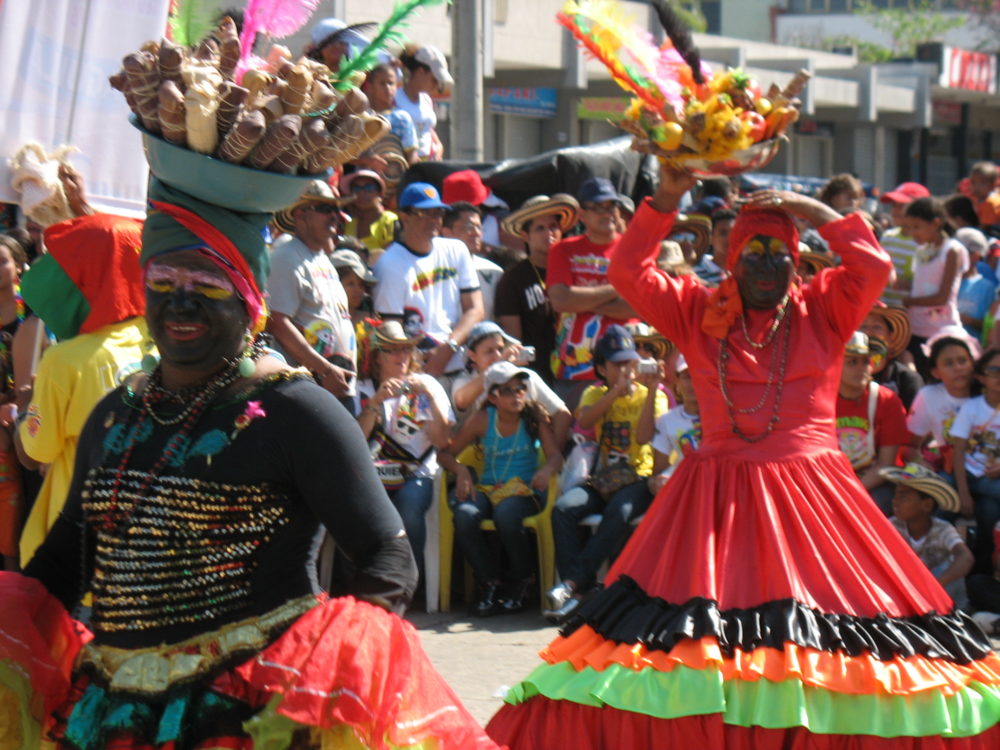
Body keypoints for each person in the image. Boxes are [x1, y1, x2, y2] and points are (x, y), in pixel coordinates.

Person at [487, 164, 1000, 748]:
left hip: (814, 496)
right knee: (698, 637)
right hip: (715, 496)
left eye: (778, 253)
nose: (765, 265)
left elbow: (873, 266)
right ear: (732, 260)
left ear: (795, 259)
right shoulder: (695, 310)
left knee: (824, 635)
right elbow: (629, 271)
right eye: (752, 253)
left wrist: (810, 211)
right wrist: (670, 196)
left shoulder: (823, 309)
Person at [0, 163, 499, 749]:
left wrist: (313, 685)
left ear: (250, 300)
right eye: (162, 282)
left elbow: (388, 559)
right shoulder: (116, 415)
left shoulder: (297, 412)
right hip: (117, 710)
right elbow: (67, 558)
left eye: (206, 286)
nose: (180, 303)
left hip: (249, 714)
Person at [15, 213, 149, 567]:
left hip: (77, 546)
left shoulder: (66, 360)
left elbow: (36, 451)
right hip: (146, 543)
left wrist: (26, 405)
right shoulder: (168, 345)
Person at [543, 325, 667, 624]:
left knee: (619, 511)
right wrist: (615, 392)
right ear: (601, 368)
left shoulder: (655, 395)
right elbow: (584, 420)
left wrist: (648, 391)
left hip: (639, 477)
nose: (627, 369)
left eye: (630, 362)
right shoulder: (594, 392)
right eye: (617, 364)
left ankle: (572, 587)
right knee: (563, 509)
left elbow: (645, 437)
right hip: (604, 478)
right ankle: (579, 592)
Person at [440, 363, 563, 616]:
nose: (517, 395)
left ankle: (522, 580)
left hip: (523, 490)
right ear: (493, 396)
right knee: (464, 514)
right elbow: (446, 455)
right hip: (488, 487)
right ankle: (489, 582)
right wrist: (462, 470)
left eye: (521, 389)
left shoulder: (533, 418)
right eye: (508, 390)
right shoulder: (483, 420)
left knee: (506, 514)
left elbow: (555, 457)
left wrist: (546, 470)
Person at [355, 319, 454, 584]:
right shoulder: (363, 388)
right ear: (377, 357)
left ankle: (408, 582)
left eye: (405, 349)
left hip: (415, 472)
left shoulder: (425, 384)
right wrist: (375, 402)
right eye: (392, 350)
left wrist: (429, 399)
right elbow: (355, 439)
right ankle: (368, 581)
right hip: (374, 473)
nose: (401, 356)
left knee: (408, 506)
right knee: (358, 509)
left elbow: (442, 441)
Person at [372, 182, 485, 378]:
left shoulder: (456, 249)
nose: (434, 220)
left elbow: (476, 309)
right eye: (425, 213)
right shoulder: (389, 264)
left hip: (460, 360)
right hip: (419, 368)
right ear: (404, 216)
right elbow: (391, 328)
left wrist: (447, 348)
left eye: (438, 213)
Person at [267, 180, 358, 413]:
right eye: (326, 209)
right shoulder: (286, 257)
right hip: (310, 388)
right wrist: (324, 369)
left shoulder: (321, 258)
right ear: (301, 214)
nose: (335, 216)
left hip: (335, 386)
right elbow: (277, 322)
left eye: (337, 209)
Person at [548, 177, 638, 398]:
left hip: (626, 367)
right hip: (574, 367)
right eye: (597, 208)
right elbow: (560, 300)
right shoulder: (562, 250)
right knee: (575, 431)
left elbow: (637, 307)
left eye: (611, 206)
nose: (606, 213)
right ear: (582, 215)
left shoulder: (634, 250)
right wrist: (618, 287)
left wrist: (582, 302)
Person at [495, 194, 579, 385]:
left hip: (578, 368)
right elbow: (513, 340)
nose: (549, 233)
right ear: (525, 235)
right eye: (540, 228)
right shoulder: (513, 279)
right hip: (538, 376)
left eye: (553, 227)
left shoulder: (578, 270)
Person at [450, 322, 572, 445]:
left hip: (527, 457)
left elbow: (562, 415)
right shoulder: (464, 381)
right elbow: (461, 401)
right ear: (472, 356)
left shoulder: (526, 376)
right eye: (489, 351)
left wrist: (550, 457)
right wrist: (498, 366)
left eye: (500, 349)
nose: (497, 355)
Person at [835, 331, 910, 515]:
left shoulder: (887, 400)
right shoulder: (820, 398)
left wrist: (852, 490)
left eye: (866, 361)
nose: (862, 368)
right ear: (835, 365)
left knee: (875, 504)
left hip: (874, 479)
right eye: (852, 362)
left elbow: (885, 463)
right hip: (832, 477)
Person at [882, 464, 973, 609]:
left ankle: (951, 612)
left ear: (926, 505)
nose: (895, 501)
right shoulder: (891, 526)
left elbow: (966, 558)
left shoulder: (943, 529)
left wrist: (935, 584)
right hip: (909, 592)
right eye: (896, 494)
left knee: (950, 565)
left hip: (941, 595)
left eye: (903, 496)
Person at [898, 197, 969, 375]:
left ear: (936, 223)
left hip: (941, 332)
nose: (912, 232)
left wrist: (909, 301)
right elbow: (922, 285)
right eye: (909, 227)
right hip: (916, 330)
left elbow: (943, 297)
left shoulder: (952, 250)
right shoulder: (923, 251)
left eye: (916, 226)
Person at [951, 347, 1000, 574]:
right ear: (980, 378)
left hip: (993, 480)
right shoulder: (972, 407)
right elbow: (958, 452)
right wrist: (963, 494)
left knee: (989, 512)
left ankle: (981, 574)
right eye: (994, 370)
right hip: (970, 477)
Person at [907, 335, 975, 473]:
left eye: (963, 361)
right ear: (935, 372)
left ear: (973, 364)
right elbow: (910, 447)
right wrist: (922, 465)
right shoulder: (928, 396)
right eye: (949, 363)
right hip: (948, 469)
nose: (958, 368)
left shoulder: (990, 393)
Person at [648, 354, 701, 495]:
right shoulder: (666, 420)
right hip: (680, 488)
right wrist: (657, 482)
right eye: (687, 377)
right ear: (677, 380)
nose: (693, 383)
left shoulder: (723, 419)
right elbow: (659, 470)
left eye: (698, 376)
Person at [442, 201, 504, 320]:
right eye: (469, 227)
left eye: (479, 227)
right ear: (447, 232)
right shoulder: (432, 270)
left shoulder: (494, 272)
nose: (476, 233)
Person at [442, 170, 520, 262]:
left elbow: (519, 256)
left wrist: (492, 251)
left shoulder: (500, 219)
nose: (476, 232)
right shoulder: (439, 223)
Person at [861, 301, 922, 410]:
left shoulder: (906, 380)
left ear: (890, 337)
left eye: (877, 327)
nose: (869, 333)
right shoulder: (841, 376)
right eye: (863, 326)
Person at [396, 45, 452, 161]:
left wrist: (439, 146)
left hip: (427, 164)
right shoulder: (394, 98)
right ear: (421, 72)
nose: (437, 85)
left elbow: (427, 128)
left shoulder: (427, 100)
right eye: (434, 79)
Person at [879, 181, 931, 307]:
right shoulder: (887, 237)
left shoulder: (925, 244)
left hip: (911, 315)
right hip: (883, 313)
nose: (895, 210)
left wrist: (909, 285)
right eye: (894, 205)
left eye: (901, 206)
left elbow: (933, 284)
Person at [362, 62, 420, 164]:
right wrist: (368, 161)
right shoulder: (363, 117)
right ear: (371, 87)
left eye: (391, 83)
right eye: (382, 83)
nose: (388, 88)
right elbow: (349, 156)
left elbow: (411, 155)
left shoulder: (402, 118)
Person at [340, 169, 399, 257]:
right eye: (356, 188)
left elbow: (393, 256)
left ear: (379, 193)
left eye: (369, 188)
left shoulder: (389, 220)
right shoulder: (349, 222)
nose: (362, 193)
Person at [955, 226, 996, 340]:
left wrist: (970, 321)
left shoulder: (987, 287)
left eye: (959, 253)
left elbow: (991, 325)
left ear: (975, 256)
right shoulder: (945, 281)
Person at [968, 161, 1000, 235]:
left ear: (992, 185)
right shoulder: (978, 199)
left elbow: (985, 228)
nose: (974, 187)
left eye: (982, 183)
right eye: (973, 183)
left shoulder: (990, 203)